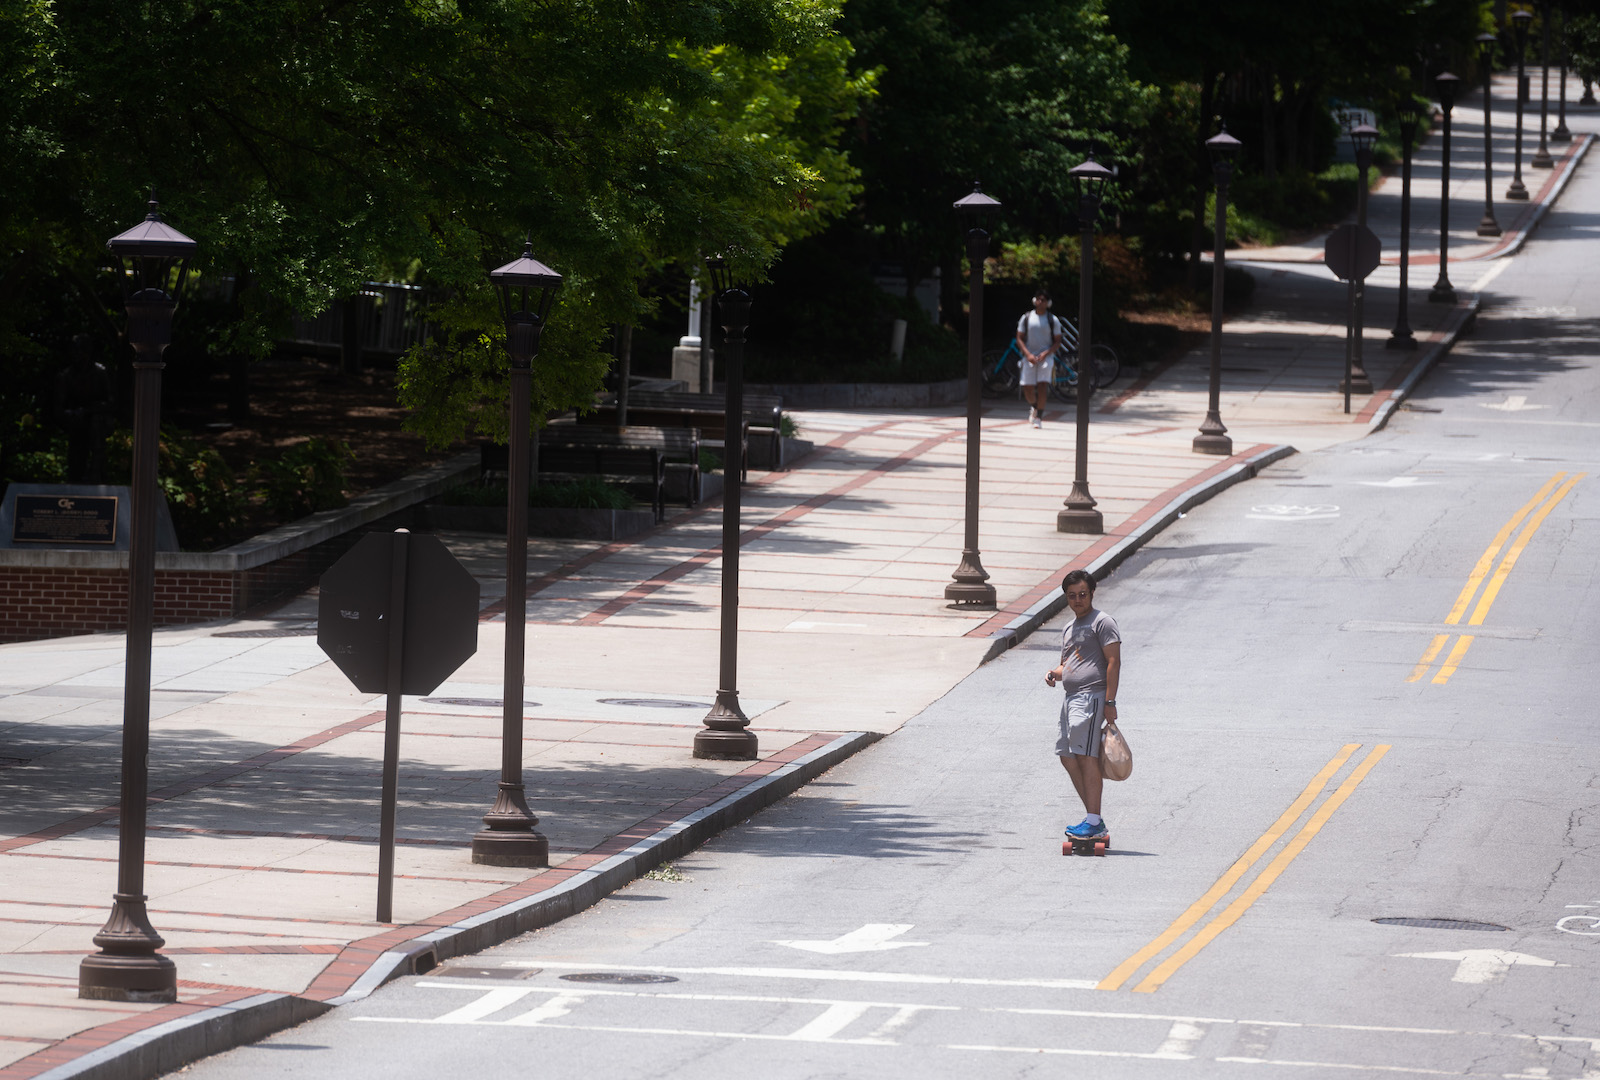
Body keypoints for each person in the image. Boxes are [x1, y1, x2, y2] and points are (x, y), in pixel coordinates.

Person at [1045, 569, 1121, 840]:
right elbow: (1068, 664)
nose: (1078, 600)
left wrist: (1110, 701)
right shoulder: (1069, 627)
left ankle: (1094, 820)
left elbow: (1113, 662)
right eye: (1072, 596)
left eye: (1082, 594)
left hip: (1091, 698)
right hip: (1070, 699)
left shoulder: (1103, 622)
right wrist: (1054, 674)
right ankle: (1092, 817)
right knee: (1067, 755)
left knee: (1087, 756)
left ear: (1092, 593)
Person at [1015, 289, 1062, 428]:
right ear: (1034, 300)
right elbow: (1019, 337)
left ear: (1048, 303)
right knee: (1027, 388)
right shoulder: (1027, 317)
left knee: (1042, 386)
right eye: (1038, 299)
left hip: (1045, 358)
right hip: (1029, 356)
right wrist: (1027, 354)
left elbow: (1057, 341)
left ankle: (1039, 418)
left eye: (1043, 300)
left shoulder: (1053, 320)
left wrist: (1046, 353)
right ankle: (1035, 407)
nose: (1040, 302)